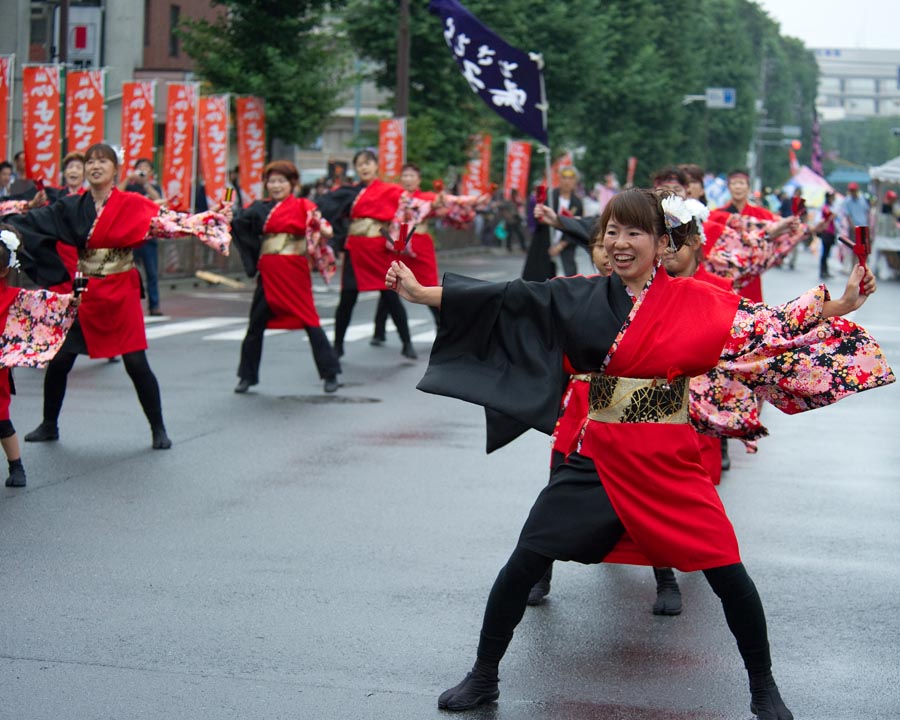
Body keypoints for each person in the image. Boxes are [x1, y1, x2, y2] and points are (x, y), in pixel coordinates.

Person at [385, 188, 893, 718]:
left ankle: (764, 688)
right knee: (524, 560)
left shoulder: (699, 299)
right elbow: (508, 297)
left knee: (729, 573)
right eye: (611, 232)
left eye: (634, 233)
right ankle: (483, 675)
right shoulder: (577, 294)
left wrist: (839, 303)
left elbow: (765, 324)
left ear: (661, 242)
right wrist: (423, 294)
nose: (620, 243)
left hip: (667, 458)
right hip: (599, 454)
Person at [4, 143, 231, 450]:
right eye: (90, 162)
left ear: (115, 170)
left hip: (121, 290)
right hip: (85, 292)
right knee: (60, 360)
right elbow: (35, 221)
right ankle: (49, 424)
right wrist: (9, 229)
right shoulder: (72, 206)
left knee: (136, 362)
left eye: (102, 161)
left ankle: (158, 428)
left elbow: (167, 222)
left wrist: (206, 219)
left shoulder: (132, 203)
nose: (95, 166)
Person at [231, 160, 341, 395]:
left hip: (294, 270)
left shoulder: (304, 205)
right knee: (255, 325)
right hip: (269, 271)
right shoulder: (259, 207)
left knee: (310, 321)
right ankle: (246, 376)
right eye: (272, 181)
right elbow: (239, 221)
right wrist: (226, 207)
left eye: (281, 181)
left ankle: (330, 372)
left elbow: (320, 223)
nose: (276, 185)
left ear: (292, 184)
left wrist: (325, 230)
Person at [0, 224, 80, 487]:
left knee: (1, 421)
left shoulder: (15, 297)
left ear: (5, 268)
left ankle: (16, 466)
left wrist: (70, 300)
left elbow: (45, 302)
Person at [317, 149, 416, 360]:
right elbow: (323, 207)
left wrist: (401, 243)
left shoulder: (393, 191)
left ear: (376, 166)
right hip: (356, 249)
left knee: (391, 296)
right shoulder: (349, 192)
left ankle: (407, 343)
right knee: (347, 299)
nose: (364, 167)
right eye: (359, 164)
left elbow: (407, 215)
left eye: (368, 163)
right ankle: (338, 345)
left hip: (380, 249)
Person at [708, 169, 778, 303]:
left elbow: (778, 230)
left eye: (741, 183)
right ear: (728, 187)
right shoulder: (718, 214)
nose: (738, 187)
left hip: (750, 274)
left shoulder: (761, 215)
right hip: (724, 273)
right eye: (734, 183)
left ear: (748, 187)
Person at [123, 158, 165, 316]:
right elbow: (115, 195)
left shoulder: (153, 188)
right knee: (128, 273)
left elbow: (159, 202)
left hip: (149, 237)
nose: (142, 171)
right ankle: (129, 305)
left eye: (146, 168)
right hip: (131, 237)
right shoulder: (129, 187)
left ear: (151, 172)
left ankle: (155, 306)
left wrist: (146, 183)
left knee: (152, 273)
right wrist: (129, 178)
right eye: (140, 168)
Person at [814, 192, 837, 280]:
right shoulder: (825, 207)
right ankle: (823, 271)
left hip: (830, 231)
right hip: (826, 231)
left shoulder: (830, 206)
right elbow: (828, 216)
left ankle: (825, 270)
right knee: (825, 253)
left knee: (827, 253)